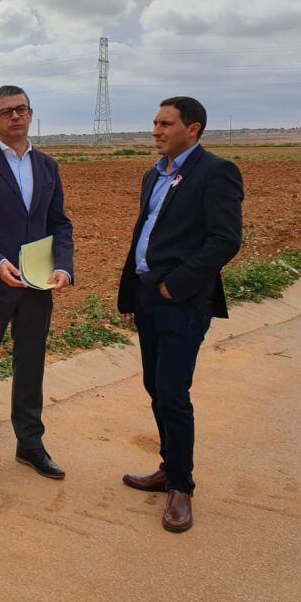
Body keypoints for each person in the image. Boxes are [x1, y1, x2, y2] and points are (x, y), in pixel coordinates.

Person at [117, 96, 243, 533]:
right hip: (149, 296)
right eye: (154, 122)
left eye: (166, 123)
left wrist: (177, 284)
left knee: (173, 391)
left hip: (182, 301)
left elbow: (225, 239)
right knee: (156, 385)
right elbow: (143, 236)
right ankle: (168, 468)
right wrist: (132, 294)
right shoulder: (155, 174)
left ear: (194, 129)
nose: (156, 130)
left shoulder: (216, 172)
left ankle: (182, 488)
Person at [0, 85, 74, 487]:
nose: (15, 117)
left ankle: (30, 444)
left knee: (31, 364)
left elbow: (59, 224)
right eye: (6, 112)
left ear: (31, 113)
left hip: (38, 286)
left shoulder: (48, 165)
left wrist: (64, 267)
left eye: (21, 109)